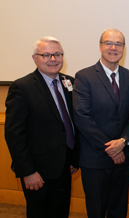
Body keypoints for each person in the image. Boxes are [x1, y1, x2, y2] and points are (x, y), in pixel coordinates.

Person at [5, 36, 79, 218]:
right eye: (46, 55)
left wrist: (73, 157)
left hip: (64, 166)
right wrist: (28, 172)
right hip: (37, 170)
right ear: (34, 58)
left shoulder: (70, 82)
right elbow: (14, 135)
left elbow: (71, 123)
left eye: (57, 54)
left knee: (61, 212)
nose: (53, 59)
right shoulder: (22, 87)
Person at [72, 28, 129, 218]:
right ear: (100, 46)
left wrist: (123, 142)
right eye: (108, 43)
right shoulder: (84, 77)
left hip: (123, 157)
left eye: (118, 44)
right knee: (96, 210)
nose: (113, 47)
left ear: (124, 48)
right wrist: (111, 148)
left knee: (119, 209)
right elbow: (82, 117)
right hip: (95, 159)